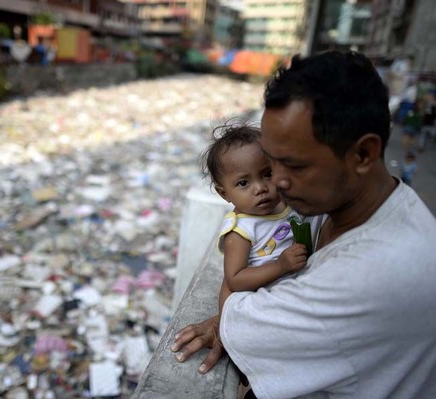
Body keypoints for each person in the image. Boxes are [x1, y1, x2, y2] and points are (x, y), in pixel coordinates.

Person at [171, 51, 436, 398]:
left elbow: (243, 327)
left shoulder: (372, 273)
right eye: (272, 162)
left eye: (293, 166)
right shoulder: (341, 207)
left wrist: (230, 311)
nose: (275, 183)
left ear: (363, 154)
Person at [200, 123, 321, 298]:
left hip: (295, 282)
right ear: (224, 193)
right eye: (243, 183)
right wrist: (280, 266)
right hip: (261, 295)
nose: (260, 188)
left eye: (267, 174)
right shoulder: (241, 231)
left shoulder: (287, 202)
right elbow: (235, 280)